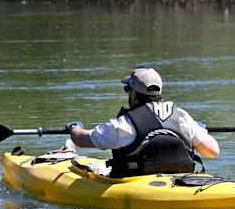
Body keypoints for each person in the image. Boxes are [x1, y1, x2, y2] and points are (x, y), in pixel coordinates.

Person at [66, 67, 220, 178]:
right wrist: (197, 131)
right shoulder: (181, 116)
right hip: (181, 182)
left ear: (134, 93)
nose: (127, 93)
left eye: (127, 89)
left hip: (137, 183)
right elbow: (213, 152)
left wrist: (74, 128)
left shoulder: (126, 123)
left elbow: (81, 139)